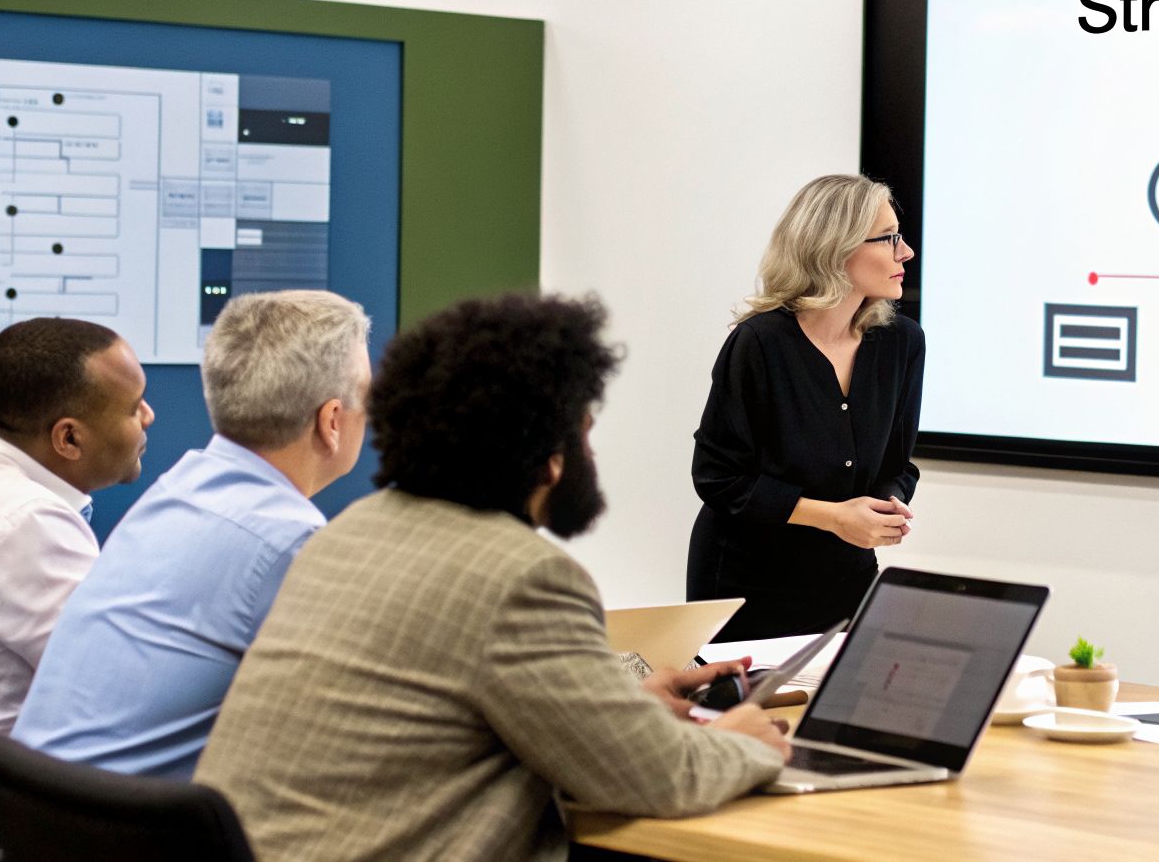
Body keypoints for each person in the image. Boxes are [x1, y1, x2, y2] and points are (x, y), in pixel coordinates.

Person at [194, 293, 788, 862]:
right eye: (583, 431)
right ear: (548, 454)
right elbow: (659, 779)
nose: (590, 455)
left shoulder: (351, 533)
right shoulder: (523, 575)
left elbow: (442, 712)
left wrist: (624, 708)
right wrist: (739, 739)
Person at [12, 290, 372, 779]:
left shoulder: (178, 490)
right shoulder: (289, 541)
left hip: (38, 806)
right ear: (331, 422)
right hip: (128, 820)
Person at [0, 317, 154, 797]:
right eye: (132, 407)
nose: (149, 416)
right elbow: (122, 694)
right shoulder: (28, 520)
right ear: (69, 439)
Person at [687, 173, 925, 640]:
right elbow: (718, 478)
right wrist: (835, 517)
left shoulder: (902, 342)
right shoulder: (759, 343)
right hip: (747, 583)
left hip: (846, 576)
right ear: (836, 249)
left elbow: (898, 465)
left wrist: (888, 505)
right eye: (888, 238)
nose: (906, 252)